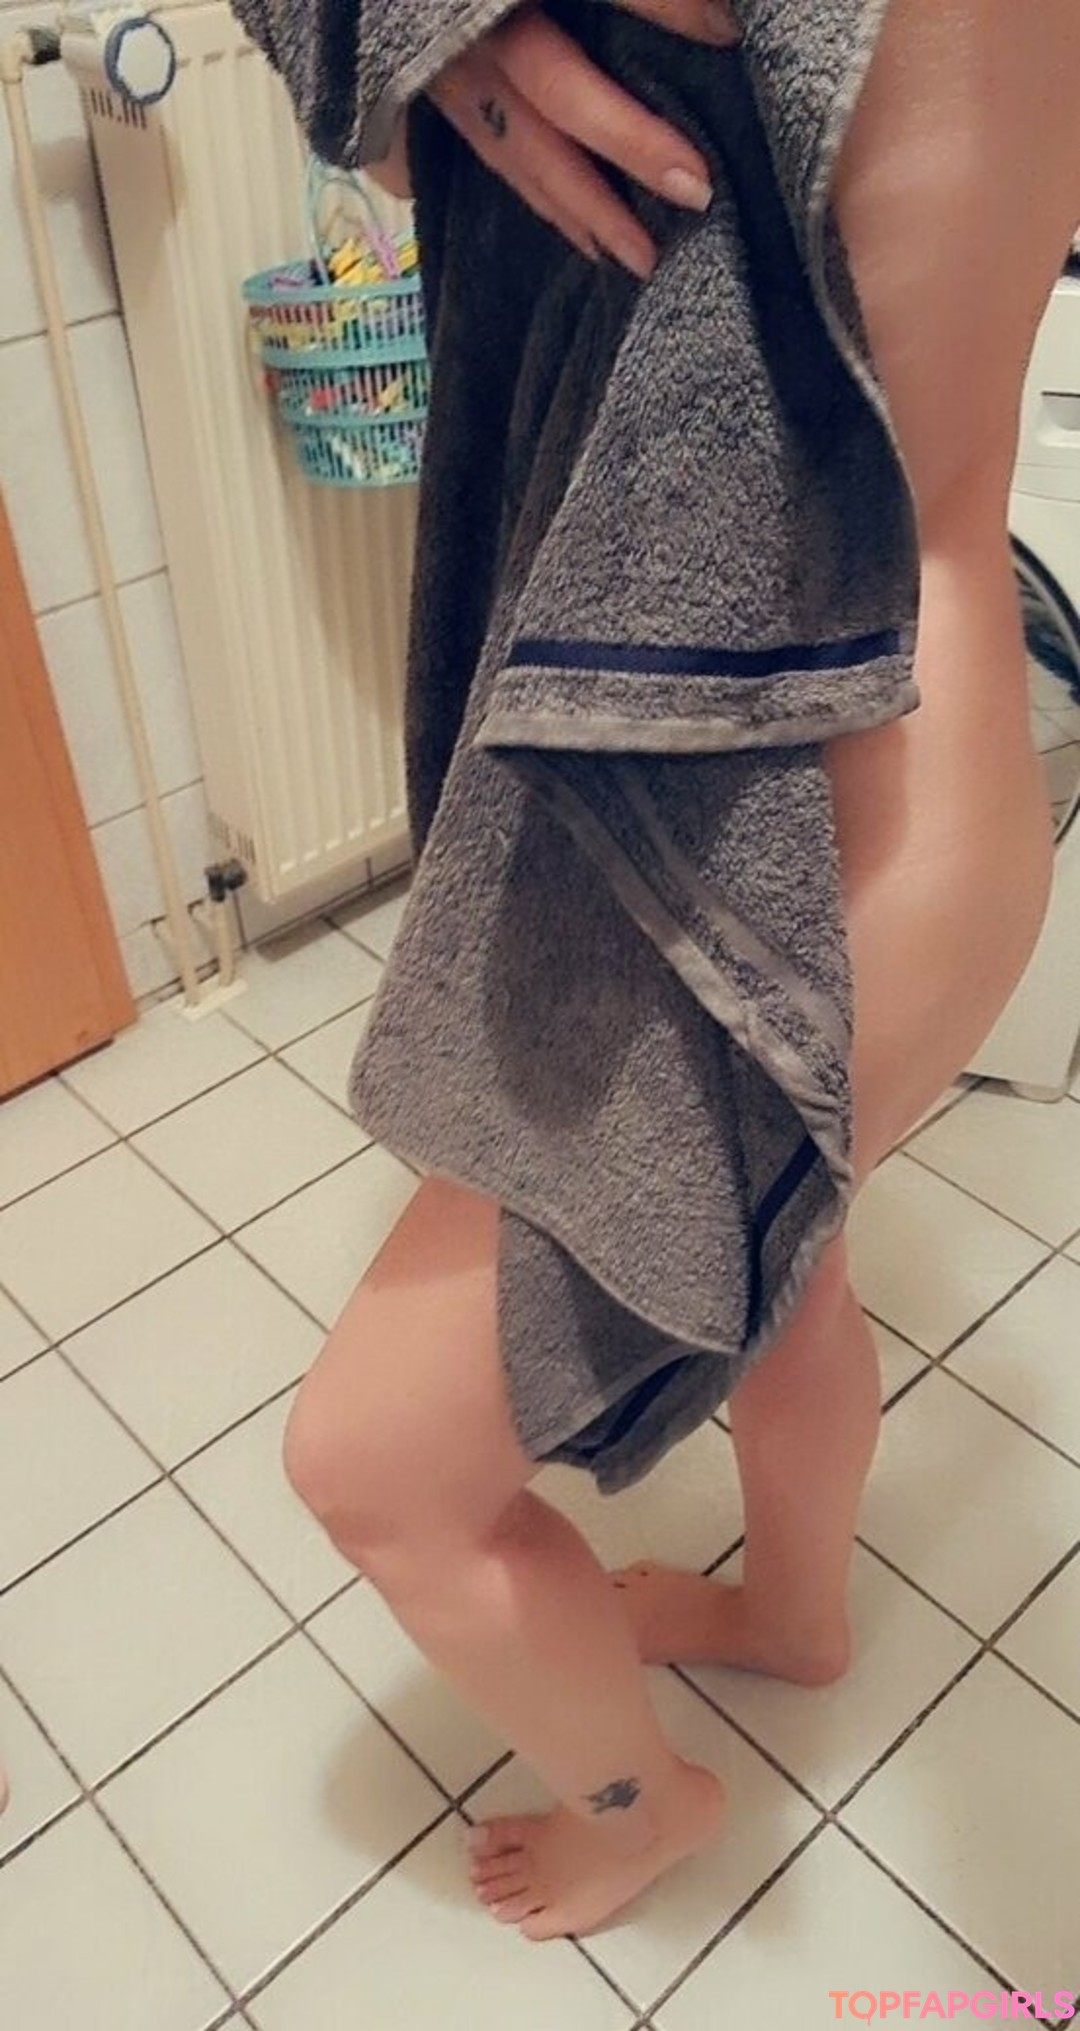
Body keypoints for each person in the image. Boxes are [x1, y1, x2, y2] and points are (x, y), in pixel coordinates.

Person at [264, 0, 1080, 1941]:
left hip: (788, 834)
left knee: (372, 1468)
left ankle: (644, 1803)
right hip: (923, 781)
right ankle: (795, 1620)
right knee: (799, 1273)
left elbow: (390, 102)